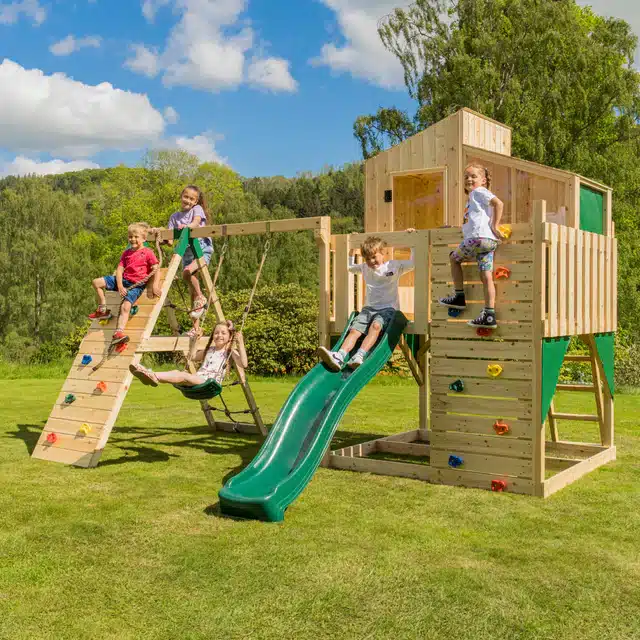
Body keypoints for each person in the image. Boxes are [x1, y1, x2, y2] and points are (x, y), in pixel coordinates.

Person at [317, 233, 414, 371]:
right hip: (368, 309)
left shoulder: (393, 266)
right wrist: (352, 250)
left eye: (374, 257)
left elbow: (412, 264)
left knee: (375, 326)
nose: (371, 261)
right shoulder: (365, 267)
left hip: (388, 309)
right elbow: (350, 267)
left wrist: (412, 243)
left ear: (382, 253)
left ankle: (359, 355)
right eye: (367, 258)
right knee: (354, 330)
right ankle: (340, 355)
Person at [438, 164, 504, 328]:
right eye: (466, 176)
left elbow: (499, 203)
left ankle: (459, 297)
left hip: (477, 239)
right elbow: (472, 223)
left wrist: (496, 225)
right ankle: (489, 314)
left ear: (483, 180)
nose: (469, 179)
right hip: (488, 242)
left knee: (454, 259)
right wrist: (454, 228)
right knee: (486, 276)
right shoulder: (475, 201)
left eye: (473, 176)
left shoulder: (479, 192)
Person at [88, 223, 161, 343]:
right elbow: (120, 269)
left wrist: (155, 285)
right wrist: (120, 285)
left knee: (125, 306)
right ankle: (102, 309)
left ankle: (119, 332)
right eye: (130, 237)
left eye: (136, 237)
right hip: (124, 281)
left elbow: (156, 269)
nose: (133, 239)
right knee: (96, 282)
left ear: (143, 238)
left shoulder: (148, 252)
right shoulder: (126, 253)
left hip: (136, 285)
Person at [129, 320, 247, 388]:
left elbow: (244, 364)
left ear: (230, 337)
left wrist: (240, 343)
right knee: (177, 373)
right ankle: (151, 375)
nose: (219, 335)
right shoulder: (209, 350)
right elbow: (192, 357)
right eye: (216, 333)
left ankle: (150, 374)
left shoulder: (230, 352)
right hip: (199, 379)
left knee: (184, 376)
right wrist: (196, 340)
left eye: (223, 333)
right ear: (213, 336)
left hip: (210, 383)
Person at [167, 185, 214, 327]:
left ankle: (201, 296)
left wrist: (187, 227)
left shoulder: (196, 210)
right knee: (190, 289)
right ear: (181, 196)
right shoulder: (174, 217)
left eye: (191, 199)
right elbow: (169, 239)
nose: (188, 200)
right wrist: (161, 236)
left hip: (201, 250)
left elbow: (196, 222)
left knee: (187, 272)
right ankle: (196, 328)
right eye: (185, 197)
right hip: (186, 253)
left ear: (195, 201)